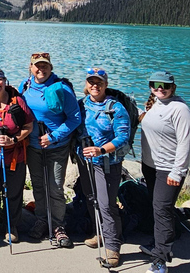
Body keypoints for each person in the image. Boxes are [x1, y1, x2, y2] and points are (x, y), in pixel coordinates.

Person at [20, 52, 80, 248]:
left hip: (56, 147)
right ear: (30, 67)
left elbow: (74, 118)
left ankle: (58, 226)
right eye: (37, 65)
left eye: (45, 65)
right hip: (33, 147)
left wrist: (53, 136)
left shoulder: (62, 88)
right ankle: (41, 219)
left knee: (55, 187)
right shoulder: (25, 86)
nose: (41, 69)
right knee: (38, 185)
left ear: (51, 68)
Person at [76, 68, 130, 267]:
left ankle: (113, 246)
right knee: (91, 198)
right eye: (91, 82)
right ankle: (99, 232)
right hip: (85, 160)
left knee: (106, 204)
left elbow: (123, 136)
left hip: (108, 163)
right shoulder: (82, 105)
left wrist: (101, 150)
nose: (94, 86)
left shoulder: (116, 108)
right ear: (86, 84)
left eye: (99, 82)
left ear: (106, 84)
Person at [140, 71, 190, 273]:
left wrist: (177, 172)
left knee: (161, 209)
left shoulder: (180, 109)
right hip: (150, 166)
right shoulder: (152, 104)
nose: (160, 88)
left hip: (169, 169)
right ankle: (163, 240)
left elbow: (186, 142)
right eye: (155, 84)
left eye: (165, 85)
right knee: (159, 207)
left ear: (173, 87)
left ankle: (160, 260)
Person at [0, 67, 34, 243]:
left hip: (15, 156)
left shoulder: (17, 101)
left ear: (5, 80)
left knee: (13, 192)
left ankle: (11, 226)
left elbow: (28, 126)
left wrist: (14, 140)